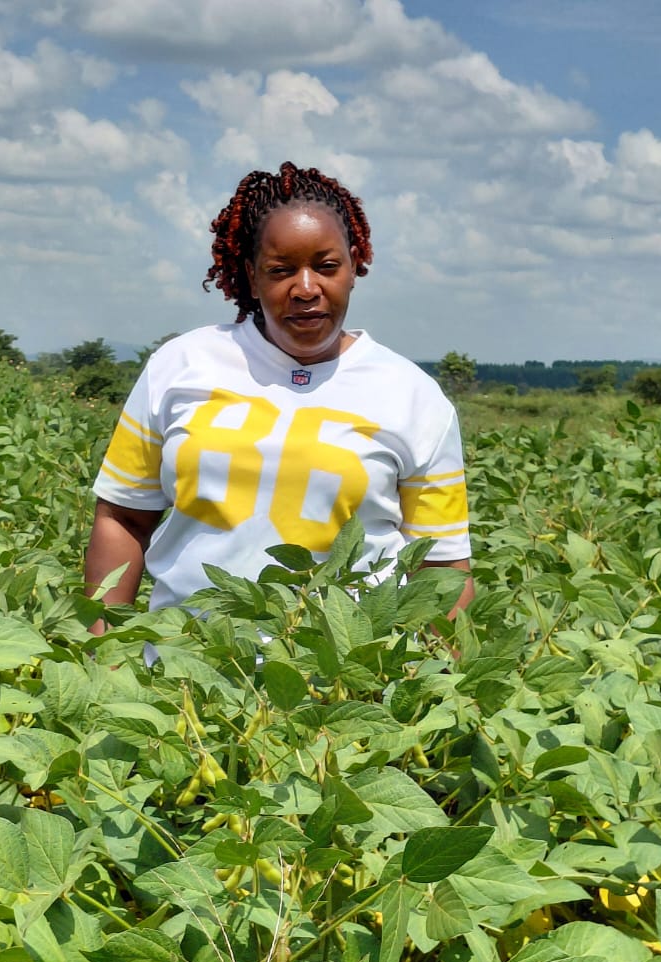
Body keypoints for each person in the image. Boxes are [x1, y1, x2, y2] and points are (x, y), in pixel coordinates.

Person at [85, 161, 473, 631]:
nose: (306, 288)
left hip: (347, 684)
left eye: (326, 267)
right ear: (251, 276)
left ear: (354, 266)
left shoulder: (413, 396)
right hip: (184, 672)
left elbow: (442, 567)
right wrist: (101, 654)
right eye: (281, 270)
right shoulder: (180, 365)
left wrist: (452, 689)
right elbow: (124, 517)